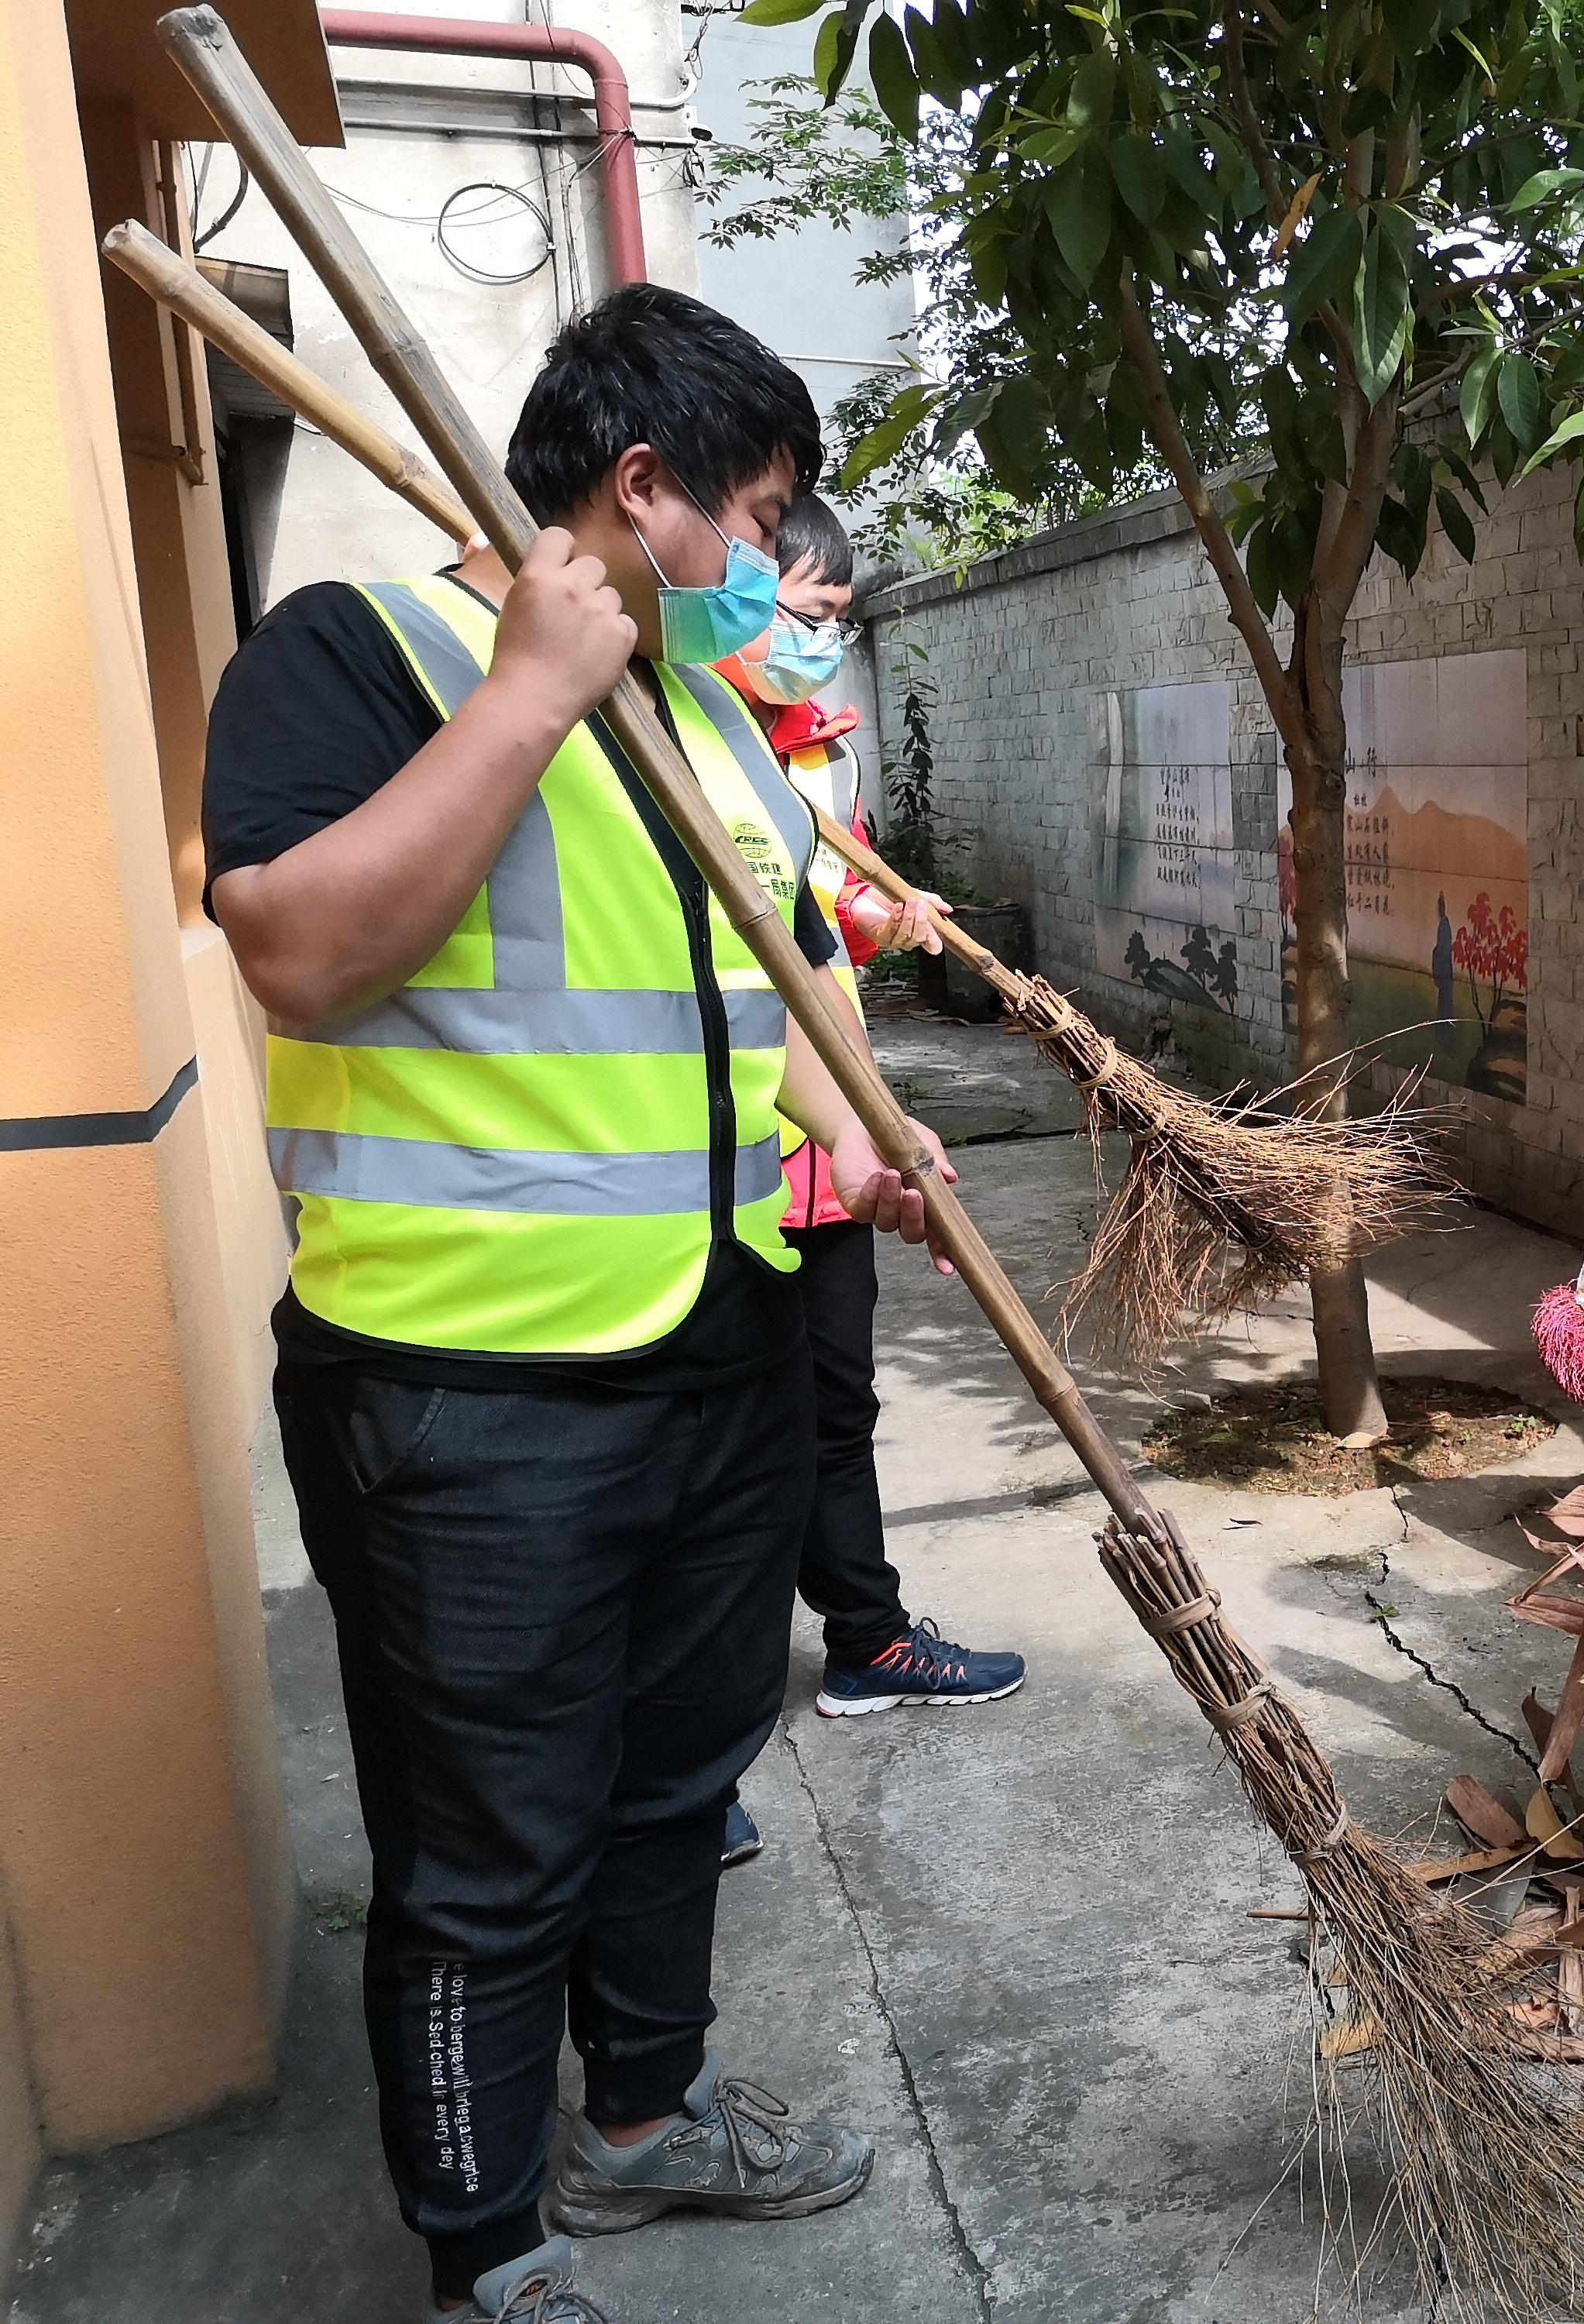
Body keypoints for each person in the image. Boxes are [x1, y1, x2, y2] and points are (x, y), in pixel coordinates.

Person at [204, 285, 950, 2323]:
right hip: (467, 1394)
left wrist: (864, 1132)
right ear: (644, 491)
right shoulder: (354, 657)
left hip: (713, 1347)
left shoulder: (707, 717)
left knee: (672, 1779)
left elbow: (752, 996)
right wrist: (530, 695)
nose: (772, 572)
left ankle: (642, 2122)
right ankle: (490, 2254)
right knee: (490, 1845)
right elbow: (299, 954)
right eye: (759, 516)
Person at [710, 495, 1024, 1870]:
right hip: (718, 1157)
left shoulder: (805, 751)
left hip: (829, 1139)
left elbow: (803, 924)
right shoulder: (675, 740)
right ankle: (689, 1758)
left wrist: (883, 922)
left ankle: (867, 1638)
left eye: (834, 624)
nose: (814, 644)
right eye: (797, 613)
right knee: (718, 1451)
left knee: (833, 1408)